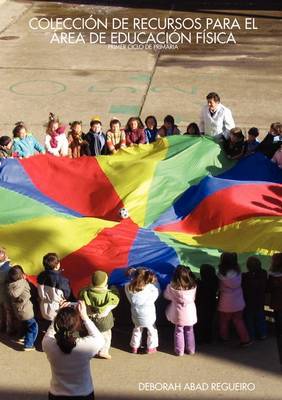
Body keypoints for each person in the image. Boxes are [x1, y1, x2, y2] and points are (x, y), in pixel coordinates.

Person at [42, 301, 104, 400]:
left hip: (56, 394)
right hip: (84, 394)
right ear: (78, 325)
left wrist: (59, 314)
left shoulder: (48, 344)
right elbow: (100, 339)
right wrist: (85, 316)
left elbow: (51, 331)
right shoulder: (85, 347)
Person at [79, 270, 120, 360]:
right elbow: (116, 300)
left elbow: (80, 296)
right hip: (104, 321)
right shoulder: (109, 294)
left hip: (89, 319)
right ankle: (103, 351)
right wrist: (114, 289)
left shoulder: (85, 292)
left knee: (90, 334)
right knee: (106, 336)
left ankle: (89, 350)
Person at [217, 252, 251, 346]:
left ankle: (224, 337)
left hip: (225, 302)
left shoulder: (220, 274)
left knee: (224, 321)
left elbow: (219, 287)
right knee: (239, 320)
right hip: (238, 301)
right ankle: (245, 339)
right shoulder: (238, 272)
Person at [125, 267, 160, 354]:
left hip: (136, 316)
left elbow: (128, 284)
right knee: (152, 330)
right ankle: (151, 347)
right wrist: (156, 283)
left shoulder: (129, 288)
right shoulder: (151, 289)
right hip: (149, 317)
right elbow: (158, 291)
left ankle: (134, 347)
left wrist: (132, 275)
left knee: (137, 329)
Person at [164, 265, 197, 356]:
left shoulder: (172, 287)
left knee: (179, 331)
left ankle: (179, 351)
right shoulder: (193, 286)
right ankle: (191, 349)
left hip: (178, 313)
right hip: (190, 313)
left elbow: (166, 296)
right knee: (190, 330)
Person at [7, 265, 38, 350]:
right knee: (33, 326)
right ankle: (28, 344)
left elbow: (15, 294)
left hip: (18, 310)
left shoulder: (10, 285)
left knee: (23, 323)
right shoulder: (23, 283)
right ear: (22, 275)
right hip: (26, 310)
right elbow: (29, 292)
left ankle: (21, 336)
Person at [37, 253, 71, 325]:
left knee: (48, 323)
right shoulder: (62, 280)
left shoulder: (40, 276)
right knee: (56, 325)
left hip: (44, 308)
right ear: (58, 265)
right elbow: (67, 294)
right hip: (56, 309)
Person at [242, 257, 267, 341]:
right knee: (260, 318)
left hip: (249, 301)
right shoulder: (263, 273)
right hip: (259, 301)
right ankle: (262, 334)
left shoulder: (245, 276)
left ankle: (251, 335)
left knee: (249, 319)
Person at [195, 264, 218, 344]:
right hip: (211, 304)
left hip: (202, 305)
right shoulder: (215, 280)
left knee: (201, 322)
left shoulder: (201, 284)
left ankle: (201, 338)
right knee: (209, 321)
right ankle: (208, 338)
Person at [267, 253, 282, 368]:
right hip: (277, 302)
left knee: (279, 326)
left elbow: (269, 288)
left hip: (277, 303)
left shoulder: (272, 275)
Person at [0, 248, 12, 334]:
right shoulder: (8, 267)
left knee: (6, 311)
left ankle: (7, 327)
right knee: (6, 311)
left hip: (5, 292)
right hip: (4, 292)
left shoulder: (8, 267)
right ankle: (7, 328)